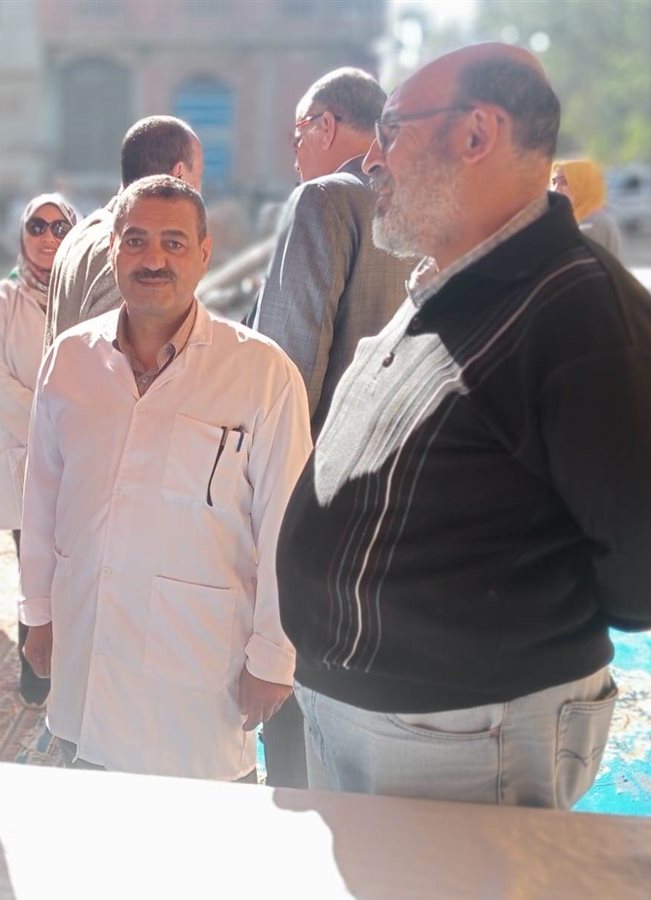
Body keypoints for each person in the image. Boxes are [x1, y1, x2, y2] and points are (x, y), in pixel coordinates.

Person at [277, 44, 651, 808]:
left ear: (477, 133)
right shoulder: (451, 287)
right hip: (379, 725)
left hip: (464, 742)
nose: (373, 159)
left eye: (391, 130)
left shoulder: (585, 316)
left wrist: (502, 620)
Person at [20, 176, 311, 781]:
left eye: (173, 243)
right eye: (136, 241)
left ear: (205, 253)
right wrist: (38, 613)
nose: (153, 259)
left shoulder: (261, 372)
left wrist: (274, 656)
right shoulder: (70, 359)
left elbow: (288, 527)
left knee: (198, 835)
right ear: (113, 251)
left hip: (196, 674)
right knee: (89, 819)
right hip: (87, 649)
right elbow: (42, 498)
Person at [248, 68, 413, 788]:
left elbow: (286, 371)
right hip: (401, 493)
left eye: (296, 135)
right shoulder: (418, 203)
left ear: (324, 124)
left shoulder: (324, 200)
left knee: (295, 701)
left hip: (317, 495)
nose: (294, 154)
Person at [0, 193, 77, 708]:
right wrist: (48, 427)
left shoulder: (84, 295)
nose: (48, 237)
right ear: (22, 234)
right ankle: (36, 677)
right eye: (37, 226)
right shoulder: (1, 301)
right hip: (25, 453)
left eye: (60, 227)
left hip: (80, 454)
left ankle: (73, 671)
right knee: (33, 566)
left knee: (74, 564)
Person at [44, 116, 203, 346]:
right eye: (198, 177)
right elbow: (112, 359)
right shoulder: (131, 256)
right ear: (179, 174)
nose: (199, 192)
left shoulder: (82, 234)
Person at [550, 159, 622, 256]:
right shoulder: (579, 220)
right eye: (554, 182)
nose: (555, 189)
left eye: (564, 182)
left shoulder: (593, 224)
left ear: (585, 185)